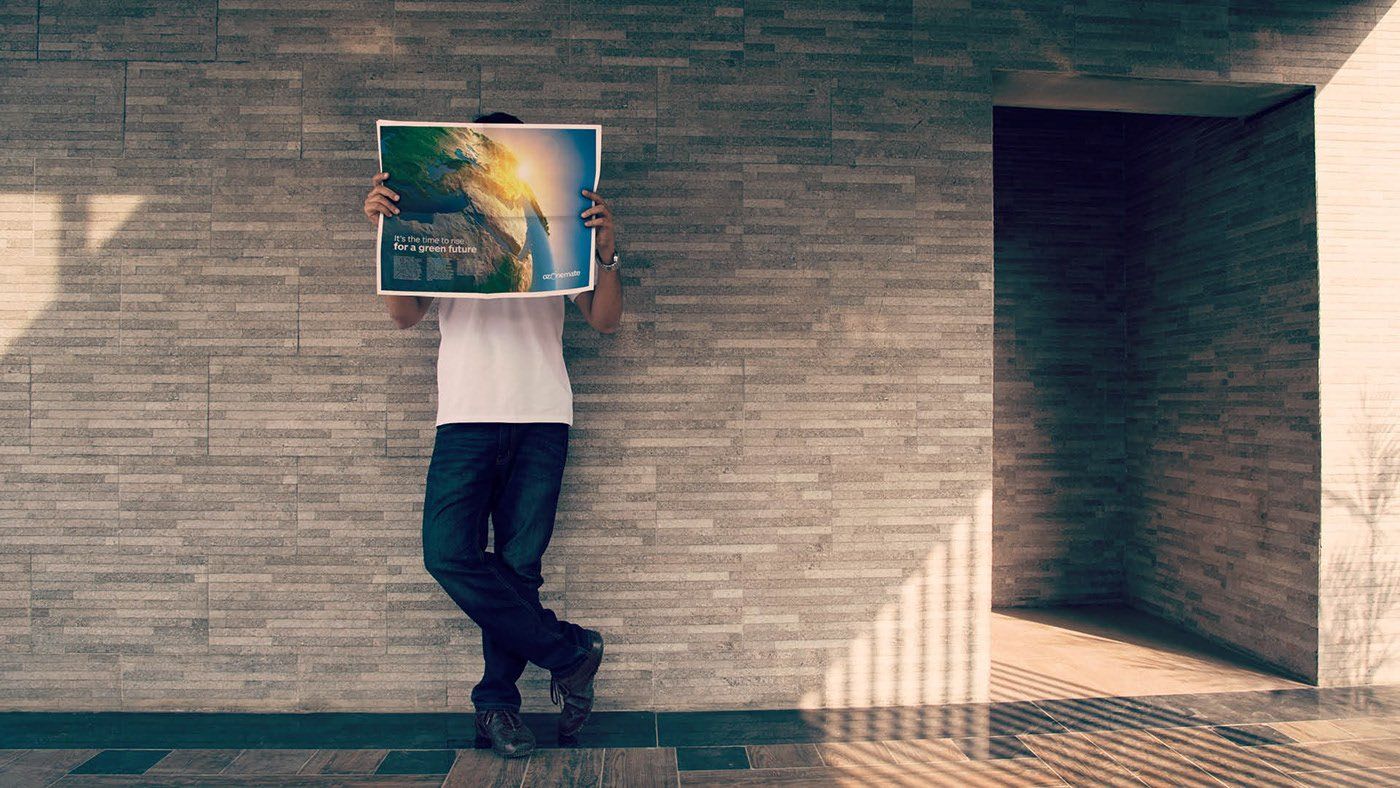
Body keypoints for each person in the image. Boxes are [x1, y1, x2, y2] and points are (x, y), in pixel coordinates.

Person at [362, 111, 623, 758]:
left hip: (542, 416)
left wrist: (607, 250)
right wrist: (389, 235)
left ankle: (497, 709)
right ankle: (570, 653)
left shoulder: (549, 223)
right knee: (446, 553)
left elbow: (605, 319)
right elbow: (403, 316)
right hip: (466, 416)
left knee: (517, 569)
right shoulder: (443, 222)